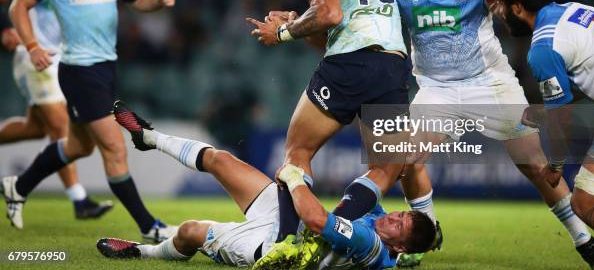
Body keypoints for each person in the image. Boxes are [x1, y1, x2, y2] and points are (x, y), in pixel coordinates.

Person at [381, 0, 594, 268]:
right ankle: (425, 237)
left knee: (534, 165)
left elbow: (517, 9)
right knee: (408, 163)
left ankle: (585, 243)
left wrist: (497, 4)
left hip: (489, 85)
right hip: (436, 89)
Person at [1, 0, 176, 242]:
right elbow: (18, 7)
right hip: (78, 72)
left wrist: (157, 1)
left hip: (106, 69)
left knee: (79, 147)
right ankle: (150, 226)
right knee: (115, 147)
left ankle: (17, 186)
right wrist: (33, 46)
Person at [246, 0, 413, 264]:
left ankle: (287, 241)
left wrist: (281, 32)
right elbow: (335, 30)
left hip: (350, 65)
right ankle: (332, 234)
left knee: (295, 155)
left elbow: (331, 15)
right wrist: (295, 20)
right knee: (386, 169)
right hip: (393, 66)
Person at [97, 101, 437, 269]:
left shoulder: (370, 246)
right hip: (294, 222)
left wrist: (293, 179)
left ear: (399, 248)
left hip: (271, 247)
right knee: (221, 160)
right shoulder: (384, 230)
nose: (391, 218)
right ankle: (149, 137)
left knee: (189, 232)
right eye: (399, 214)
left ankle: (144, 251)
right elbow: (378, 179)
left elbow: (318, 220)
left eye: (399, 225)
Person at [494, 0, 594, 249]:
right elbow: (591, 79)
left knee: (585, 202)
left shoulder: (544, 47)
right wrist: (549, 111)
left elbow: (564, 121)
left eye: (504, 7)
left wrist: (556, 165)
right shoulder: (579, 10)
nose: (503, 14)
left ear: (518, 7)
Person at [0, 0, 112, 219]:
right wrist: (6, 31)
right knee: (61, 126)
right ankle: (79, 201)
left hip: (67, 59)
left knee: (36, 128)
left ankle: (77, 200)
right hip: (35, 57)